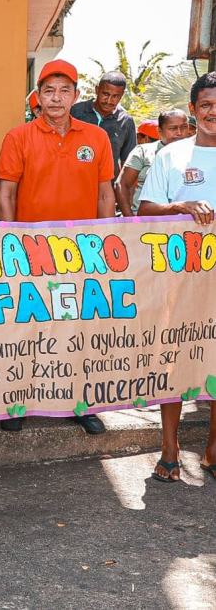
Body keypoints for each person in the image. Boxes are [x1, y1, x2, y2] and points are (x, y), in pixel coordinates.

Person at [0, 59, 114, 435]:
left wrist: (104, 244)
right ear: (38, 96)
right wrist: (12, 243)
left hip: (82, 251)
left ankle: (80, 402)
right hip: (30, 251)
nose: (56, 97)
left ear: (77, 96)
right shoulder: (19, 137)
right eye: (49, 90)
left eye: (65, 90)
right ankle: (17, 401)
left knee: (76, 328)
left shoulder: (96, 138)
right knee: (27, 326)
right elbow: (7, 193)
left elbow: (105, 193)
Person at [138, 71, 216, 483]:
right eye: (205, 105)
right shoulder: (171, 156)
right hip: (179, 276)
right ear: (192, 110)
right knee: (174, 356)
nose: (212, 112)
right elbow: (144, 210)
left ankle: (213, 449)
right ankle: (169, 447)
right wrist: (180, 207)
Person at [114, 110, 190, 216]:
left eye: (184, 127)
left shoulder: (195, 153)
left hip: (185, 221)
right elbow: (121, 184)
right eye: (172, 128)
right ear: (159, 131)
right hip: (145, 219)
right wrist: (130, 219)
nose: (179, 133)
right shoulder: (143, 151)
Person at [70, 71, 136, 175]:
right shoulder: (75, 112)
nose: (109, 101)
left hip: (108, 186)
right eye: (105, 94)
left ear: (122, 95)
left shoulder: (126, 121)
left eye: (115, 96)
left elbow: (127, 163)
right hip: (75, 181)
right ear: (97, 90)